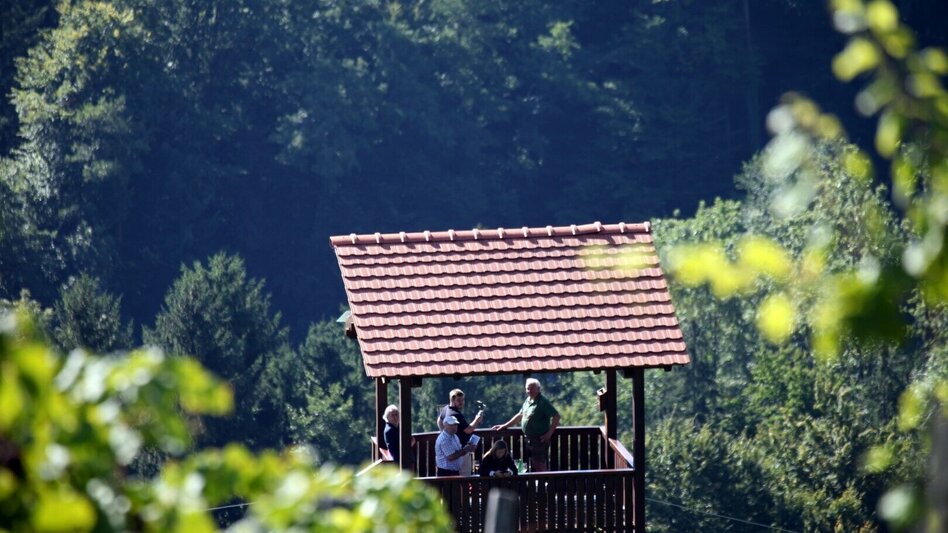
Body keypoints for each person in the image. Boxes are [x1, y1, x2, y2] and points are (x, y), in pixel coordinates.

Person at [491, 378, 560, 472]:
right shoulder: (528, 400)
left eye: (532, 388)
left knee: (539, 463)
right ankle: (537, 484)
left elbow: (556, 416)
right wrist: (505, 426)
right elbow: (520, 415)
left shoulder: (543, 402)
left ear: (538, 389)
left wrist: (549, 434)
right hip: (529, 438)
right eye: (528, 388)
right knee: (531, 464)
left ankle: (545, 484)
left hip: (539, 439)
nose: (530, 391)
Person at [436, 389, 484, 475]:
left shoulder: (445, 409)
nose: (462, 402)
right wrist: (477, 419)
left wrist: (444, 432)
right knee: (465, 477)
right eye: (459, 400)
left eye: (463, 400)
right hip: (462, 451)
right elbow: (469, 430)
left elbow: (439, 420)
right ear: (452, 400)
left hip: (457, 450)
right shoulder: (456, 414)